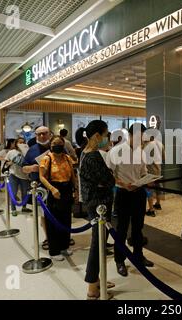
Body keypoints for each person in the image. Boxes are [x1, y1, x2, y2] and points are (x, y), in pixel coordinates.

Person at [107, 123, 154, 277]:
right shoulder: (116, 151)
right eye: (138, 136)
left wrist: (147, 179)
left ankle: (138, 256)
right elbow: (109, 174)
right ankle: (119, 260)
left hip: (138, 193)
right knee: (121, 228)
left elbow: (143, 171)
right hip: (123, 194)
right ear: (130, 134)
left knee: (138, 227)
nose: (141, 140)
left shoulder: (141, 152)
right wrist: (123, 184)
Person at [76, 120, 116, 300]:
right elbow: (109, 180)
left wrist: (106, 178)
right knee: (97, 244)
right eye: (106, 134)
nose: (107, 138)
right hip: (99, 204)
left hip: (93, 202)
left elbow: (103, 179)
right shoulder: (93, 156)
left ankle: (98, 279)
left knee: (99, 244)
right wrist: (109, 177)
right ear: (97, 136)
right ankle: (92, 286)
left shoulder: (84, 153)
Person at [39, 136, 76, 261]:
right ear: (50, 144)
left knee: (66, 219)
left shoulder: (67, 158)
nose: (57, 145)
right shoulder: (47, 158)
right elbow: (42, 177)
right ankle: (54, 251)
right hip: (54, 190)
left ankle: (64, 246)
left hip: (66, 190)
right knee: (53, 221)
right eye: (55, 143)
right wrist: (52, 189)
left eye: (60, 143)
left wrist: (75, 190)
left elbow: (72, 175)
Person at [23, 126, 54, 250]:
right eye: (39, 134)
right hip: (40, 188)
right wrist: (32, 168)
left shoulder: (57, 147)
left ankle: (61, 236)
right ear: (36, 136)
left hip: (58, 186)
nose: (42, 136)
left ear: (49, 134)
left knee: (59, 214)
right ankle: (48, 237)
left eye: (44, 133)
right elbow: (24, 168)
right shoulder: (32, 150)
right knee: (44, 215)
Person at [5, 138, 31, 216]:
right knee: (13, 192)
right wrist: (13, 161)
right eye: (20, 142)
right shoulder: (11, 152)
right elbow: (6, 163)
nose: (21, 144)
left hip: (25, 175)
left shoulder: (28, 152)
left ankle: (24, 207)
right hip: (13, 175)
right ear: (16, 143)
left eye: (23, 142)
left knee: (25, 193)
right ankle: (13, 209)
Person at [144, 133, 165, 217]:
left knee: (149, 189)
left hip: (150, 170)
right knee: (158, 187)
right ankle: (158, 204)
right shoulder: (160, 144)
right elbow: (164, 157)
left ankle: (151, 209)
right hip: (158, 169)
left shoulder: (147, 146)